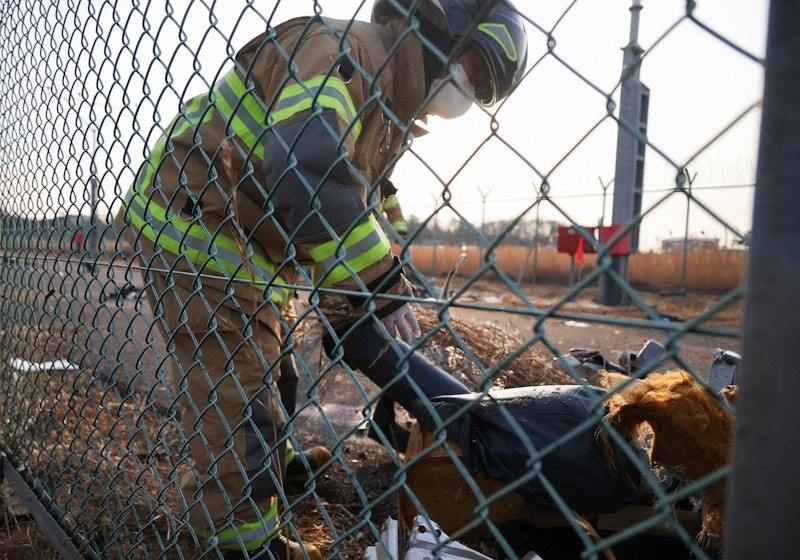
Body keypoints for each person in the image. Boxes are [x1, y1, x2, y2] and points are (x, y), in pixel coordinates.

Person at [114, 0, 527, 558]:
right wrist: (379, 285)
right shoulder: (345, 55)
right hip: (196, 221)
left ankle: (274, 464)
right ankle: (242, 542)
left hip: (248, 239)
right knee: (239, 395)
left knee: (277, 371)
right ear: (438, 24)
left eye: (481, 88)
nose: (468, 91)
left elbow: (367, 198)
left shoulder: (389, 108)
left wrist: (392, 271)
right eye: (474, 67)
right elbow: (308, 169)